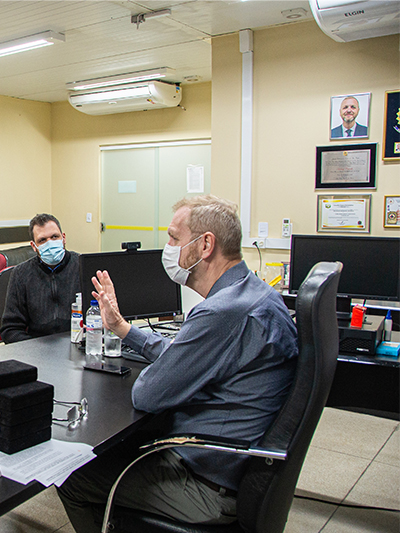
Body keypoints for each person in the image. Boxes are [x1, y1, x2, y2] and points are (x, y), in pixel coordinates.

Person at [57, 195, 298, 531]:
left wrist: (164, 368)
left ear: (205, 245)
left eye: (173, 238)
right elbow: (186, 357)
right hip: (237, 464)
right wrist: (123, 328)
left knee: (73, 477)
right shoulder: (255, 294)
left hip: (207, 484)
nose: (167, 248)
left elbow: (147, 394)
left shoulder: (221, 313)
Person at [1, 213, 80, 343]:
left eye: (55, 237)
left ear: (63, 238)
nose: (50, 243)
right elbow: (10, 330)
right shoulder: (21, 274)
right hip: (37, 349)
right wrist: (36, 350)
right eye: (42, 240)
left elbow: (100, 318)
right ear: (34, 246)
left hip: (78, 345)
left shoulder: (82, 266)